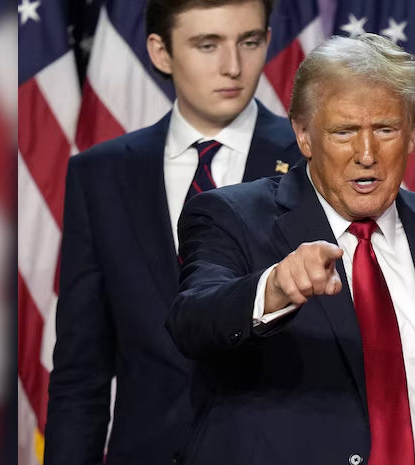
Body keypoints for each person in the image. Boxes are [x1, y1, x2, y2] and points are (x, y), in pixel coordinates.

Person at [166, 33, 415, 465]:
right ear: (304, 135)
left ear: (412, 133)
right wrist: (273, 288)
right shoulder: (231, 216)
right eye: (344, 131)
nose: (366, 154)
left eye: (386, 129)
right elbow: (192, 320)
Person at [44, 1, 302, 463]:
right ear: (161, 53)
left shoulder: (313, 165)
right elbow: (81, 373)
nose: (233, 67)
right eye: (208, 45)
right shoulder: (99, 176)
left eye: (249, 42)